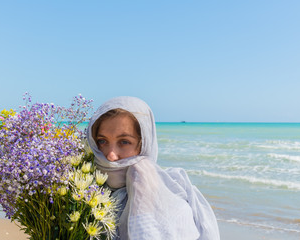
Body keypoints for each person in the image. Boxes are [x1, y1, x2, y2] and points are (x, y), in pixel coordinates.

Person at [86, 96, 220, 240]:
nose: (111, 155)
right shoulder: (83, 189)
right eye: (102, 141)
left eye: (124, 142)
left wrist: (143, 194)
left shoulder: (173, 197)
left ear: (144, 144)